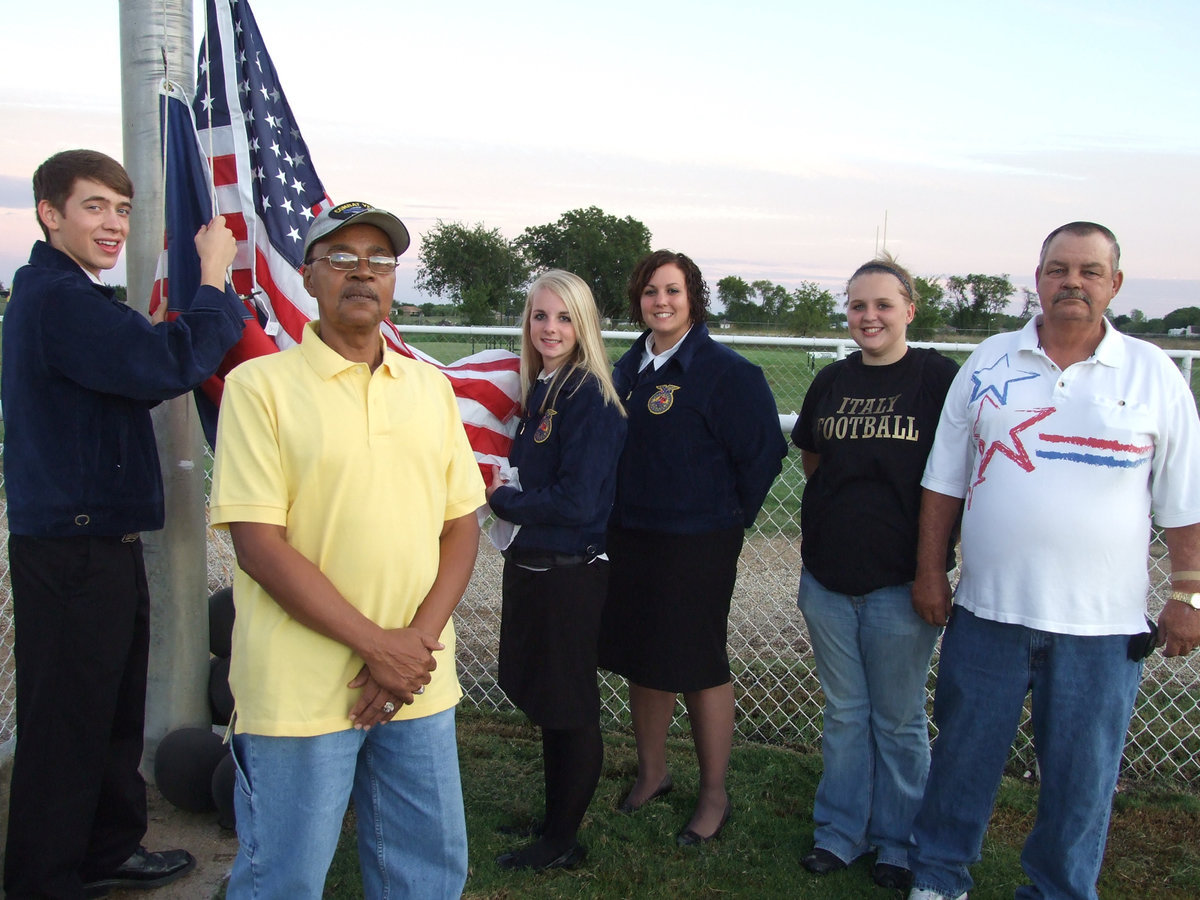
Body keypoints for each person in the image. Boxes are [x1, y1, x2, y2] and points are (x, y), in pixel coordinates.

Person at [906, 222, 1200, 900]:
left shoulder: (1153, 373)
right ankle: (940, 877)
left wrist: (1188, 594)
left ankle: (1059, 889)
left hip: (1102, 630)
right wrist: (931, 571)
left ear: (1114, 284)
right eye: (1058, 269)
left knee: (1081, 778)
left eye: (1090, 271)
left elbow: (1183, 498)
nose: (1073, 282)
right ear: (1037, 279)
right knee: (962, 761)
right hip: (988, 614)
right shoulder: (987, 363)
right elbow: (943, 480)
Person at [209, 201, 484, 898]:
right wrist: (376, 646)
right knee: (284, 878)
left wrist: (410, 649)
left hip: (417, 685)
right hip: (299, 690)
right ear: (308, 277)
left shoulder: (431, 387)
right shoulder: (259, 387)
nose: (362, 272)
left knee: (426, 874)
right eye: (340, 258)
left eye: (379, 260)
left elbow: (462, 526)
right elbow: (259, 545)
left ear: (393, 281)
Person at [3, 149, 243, 899]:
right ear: (50, 214)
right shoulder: (57, 300)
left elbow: (133, 370)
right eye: (94, 207)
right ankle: (44, 879)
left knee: (107, 712)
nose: (113, 225)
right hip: (70, 547)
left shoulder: (74, 296)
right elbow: (165, 362)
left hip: (95, 539)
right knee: (67, 723)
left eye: (122, 209)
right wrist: (213, 281)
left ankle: (107, 849)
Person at [598, 250, 787, 846]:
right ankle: (652, 773)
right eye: (651, 291)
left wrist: (728, 518)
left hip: (697, 543)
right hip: (630, 537)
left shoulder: (727, 372)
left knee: (699, 663)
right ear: (639, 300)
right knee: (643, 655)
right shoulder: (623, 370)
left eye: (673, 291)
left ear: (692, 299)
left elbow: (763, 454)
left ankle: (714, 794)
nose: (661, 301)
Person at [792, 254, 959, 891]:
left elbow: (954, 480)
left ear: (909, 310)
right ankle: (840, 833)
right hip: (828, 580)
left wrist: (931, 570)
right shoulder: (832, 381)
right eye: (859, 306)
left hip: (901, 583)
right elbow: (814, 459)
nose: (870, 317)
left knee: (898, 719)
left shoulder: (936, 379)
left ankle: (899, 841)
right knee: (844, 713)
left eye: (884, 305)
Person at [485, 270, 627, 871]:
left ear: (584, 324)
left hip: (569, 574)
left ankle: (562, 840)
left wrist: (500, 499)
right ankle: (555, 816)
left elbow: (580, 503)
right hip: (534, 565)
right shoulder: (545, 388)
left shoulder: (591, 396)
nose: (550, 328)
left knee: (569, 707)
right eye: (541, 316)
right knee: (547, 699)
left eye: (564, 317)